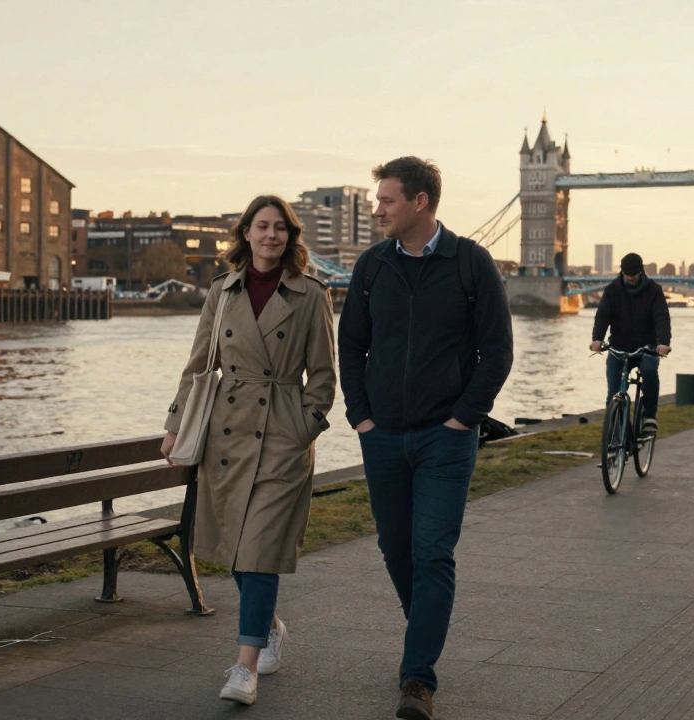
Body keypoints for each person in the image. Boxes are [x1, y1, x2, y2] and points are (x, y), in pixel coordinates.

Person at [338, 157, 513, 720]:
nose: (378, 209)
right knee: (396, 550)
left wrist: (464, 417)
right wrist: (360, 417)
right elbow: (351, 346)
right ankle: (426, 634)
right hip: (382, 435)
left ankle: (418, 679)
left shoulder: (471, 264)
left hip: (446, 439)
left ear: (419, 202)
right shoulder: (370, 268)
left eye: (386, 200)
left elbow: (497, 350)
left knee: (432, 553)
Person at [160, 195, 336, 707]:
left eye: (281, 228)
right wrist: (175, 424)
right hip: (227, 435)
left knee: (258, 552)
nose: (271, 236)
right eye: (262, 226)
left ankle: (244, 667)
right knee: (235, 550)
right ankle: (269, 626)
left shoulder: (310, 296)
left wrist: (302, 430)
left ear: (290, 236)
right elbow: (198, 365)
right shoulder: (223, 291)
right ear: (246, 233)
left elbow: (323, 378)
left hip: (281, 438)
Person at [589, 253, 671, 434]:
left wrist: (663, 343)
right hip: (619, 346)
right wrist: (597, 339)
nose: (631, 278)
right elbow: (602, 316)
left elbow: (661, 318)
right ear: (622, 272)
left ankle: (649, 417)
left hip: (647, 347)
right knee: (613, 394)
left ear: (641, 272)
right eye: (627, 274)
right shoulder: (612, 290)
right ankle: (617, 437)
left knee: (649, 372)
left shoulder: (654, 291)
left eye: (634, 274)